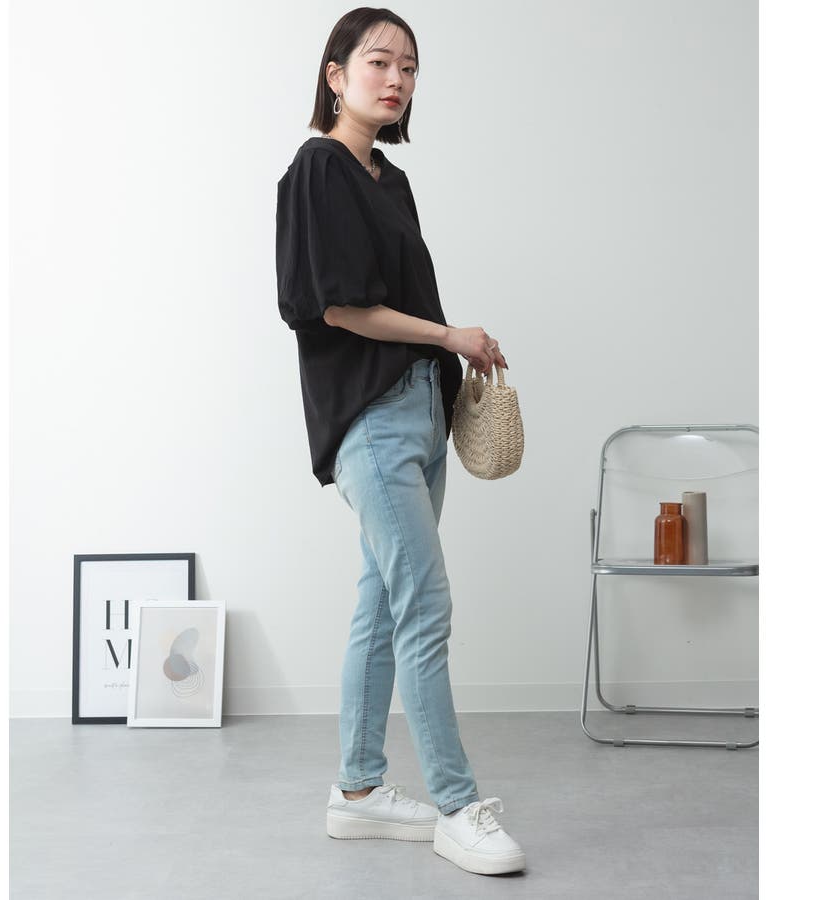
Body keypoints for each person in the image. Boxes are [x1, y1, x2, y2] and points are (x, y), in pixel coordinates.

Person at [275, 8, 526, 877]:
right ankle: (457, 806)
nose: (397, 80)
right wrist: (451, 334)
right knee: (425, 603)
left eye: (410, 68)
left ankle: (357, 792)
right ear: (335, 74)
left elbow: (396, 302)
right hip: (373, 417)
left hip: (421, 409)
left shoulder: (391, 180)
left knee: (383, 604)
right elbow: (338, 306)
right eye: (379, 62)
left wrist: (448, 354)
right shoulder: (317, 169)